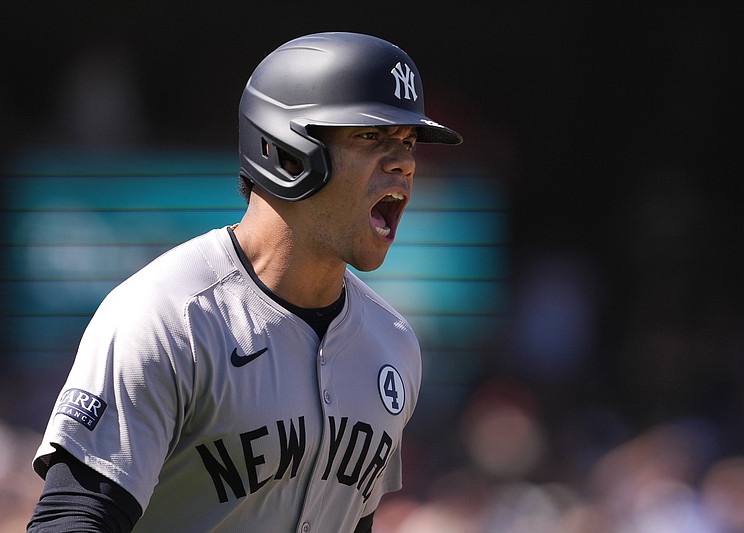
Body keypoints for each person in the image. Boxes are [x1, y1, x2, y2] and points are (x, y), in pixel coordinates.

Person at [27, 31, 462, 532]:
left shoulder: (394, 344)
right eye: (371, 136)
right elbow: (72, 520)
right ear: (288, 152)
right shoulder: (168, 317)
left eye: (407, 142)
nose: (404, 162)